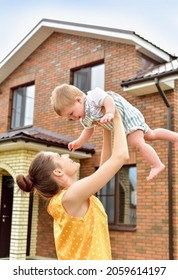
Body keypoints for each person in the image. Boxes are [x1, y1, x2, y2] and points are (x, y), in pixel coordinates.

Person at [16, 110, 129, 260]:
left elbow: (104, 168)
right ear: (57, 171)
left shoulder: (69, 198)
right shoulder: (70, 198)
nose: (67, 155)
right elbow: (121, 156)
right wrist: (115, 114)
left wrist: (106, 129)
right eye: (60, 156)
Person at [51, 84, 178, 181]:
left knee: (136, 142)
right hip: (122, 123)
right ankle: (175, 137)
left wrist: (109, 112)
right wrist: (79, 142)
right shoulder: (85, 117)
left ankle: (156, 164)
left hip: (126, 116)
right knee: (151, 135)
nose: (73, 118)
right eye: (69, 117)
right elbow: (88, 130)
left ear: (78, 100)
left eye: (72, 113)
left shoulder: (93, 97)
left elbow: (108, 100)